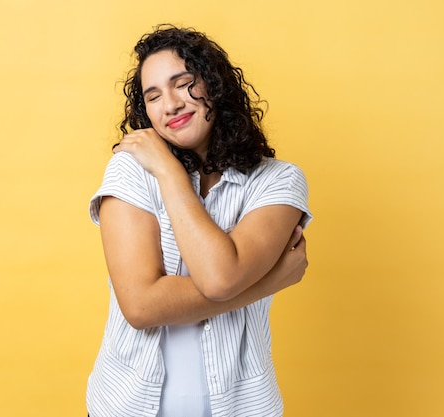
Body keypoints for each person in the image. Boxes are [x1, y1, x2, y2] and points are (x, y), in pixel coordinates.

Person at [86, 24, 312, 417]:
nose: (169, 104)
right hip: (125, 406)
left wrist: (170, 178)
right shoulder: (132, 170)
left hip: (242, 408)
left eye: (183, 83)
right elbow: (140, 307)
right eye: (153, 95)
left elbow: (220, 277)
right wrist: (268, 282)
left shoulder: (277, 180)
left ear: (214, 85)